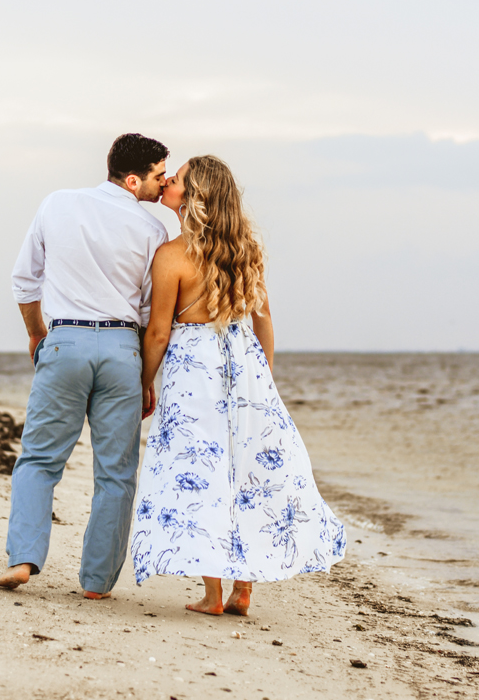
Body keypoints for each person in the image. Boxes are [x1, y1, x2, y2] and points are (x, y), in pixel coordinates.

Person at [130, 155, 346, 616]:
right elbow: (264, 321)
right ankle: (243, 587)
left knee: (203, 466)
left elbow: (159, 332)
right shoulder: (246, 249)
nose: (167, 182)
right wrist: (263, 377)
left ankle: (213, 594)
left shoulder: (171, 255)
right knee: (244, 468)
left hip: (195, 368)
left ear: (194, 196)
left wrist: (145, 381)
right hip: (245, 362)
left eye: (178, 179)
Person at [0, 133, 169, 599]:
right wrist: (147, 377)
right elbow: (154, 316)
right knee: (116, 473)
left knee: (39, 460)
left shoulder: (57, 204)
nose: (162, 185)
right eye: (157, 176)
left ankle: (24, 560)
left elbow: (24, 280)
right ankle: (96, 582)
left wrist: (36, 332)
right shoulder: (154, 232)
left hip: (64, 340)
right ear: (133, 180)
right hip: (122, 349)